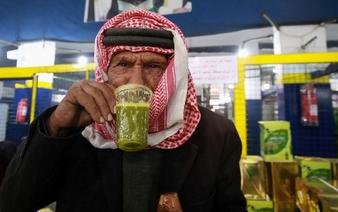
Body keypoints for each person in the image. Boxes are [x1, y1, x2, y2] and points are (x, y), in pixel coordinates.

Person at [0, 9, 246, 212]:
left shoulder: (215, 133)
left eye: (153, 65)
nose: (136, 81)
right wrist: (57, 127)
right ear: (106, 70)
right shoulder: (81, 127)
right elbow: (12, 203)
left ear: (173, 73)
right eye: (123, 64)